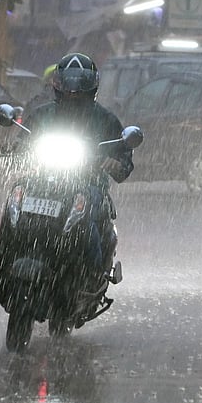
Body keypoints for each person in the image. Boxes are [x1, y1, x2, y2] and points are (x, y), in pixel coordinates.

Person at [13, 52, 135, 275]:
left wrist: (116, 163)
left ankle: (93, 274)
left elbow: (124, 158)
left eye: (80, 84)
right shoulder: (42, 115)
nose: (73, 90)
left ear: (91, 85)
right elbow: (22, 141)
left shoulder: (106, 120)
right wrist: (17, 150)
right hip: (43, 182)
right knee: (16, 197)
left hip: (90, 185)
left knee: (87, 211)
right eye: (67, 83)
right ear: (57, 84)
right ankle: (8, 258)